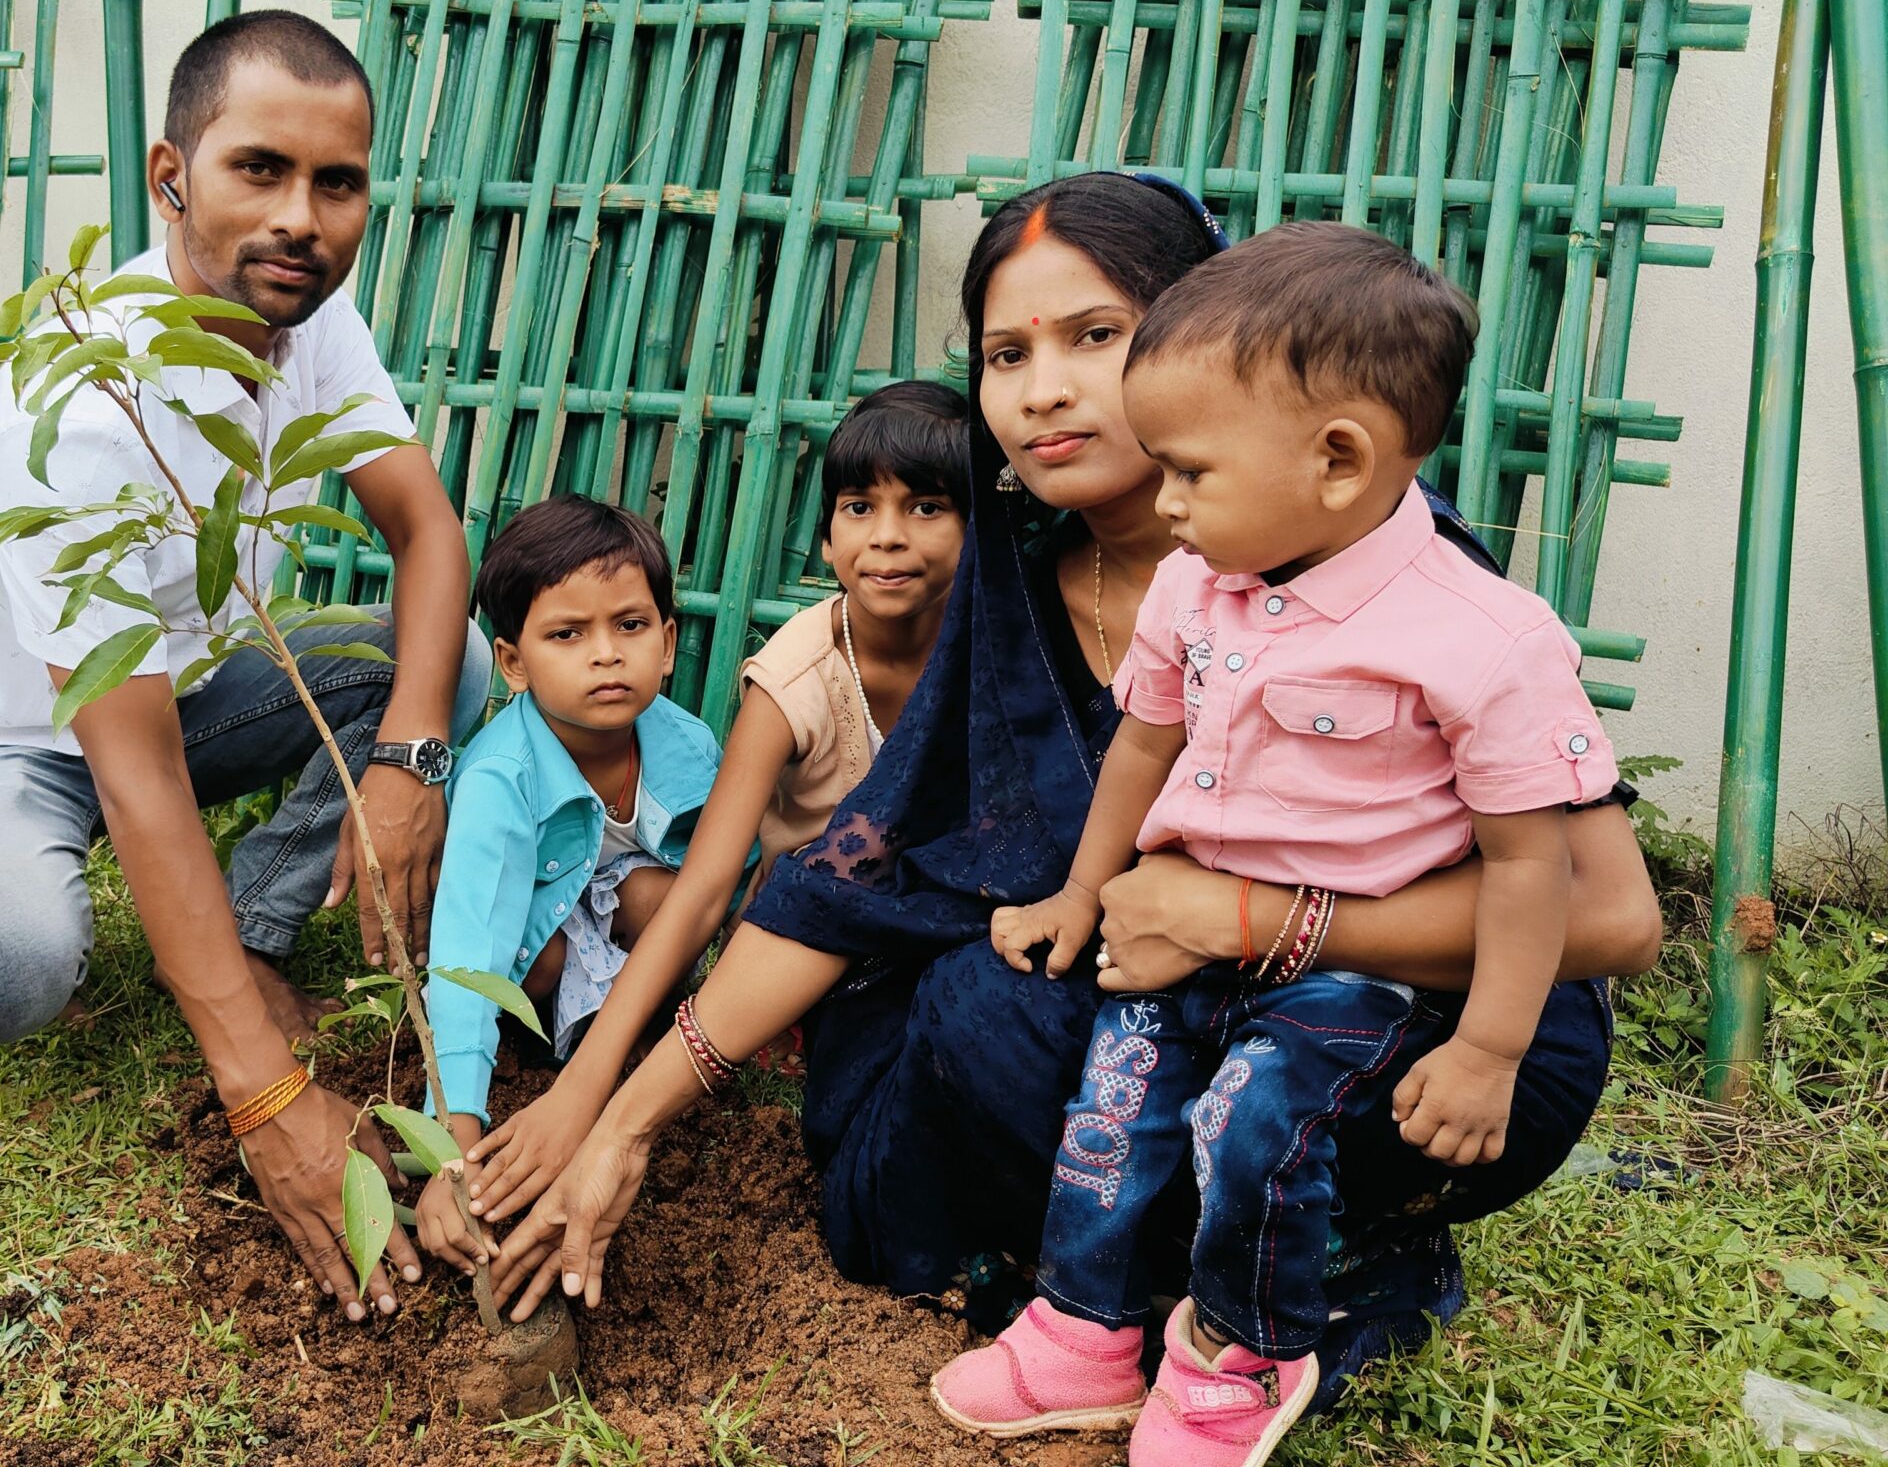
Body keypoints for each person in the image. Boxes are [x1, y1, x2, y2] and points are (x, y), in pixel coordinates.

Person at [491, 173, 1665, 1411]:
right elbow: (863, 872)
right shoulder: (1014, 578)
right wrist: (613, 1114)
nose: (1040, 388)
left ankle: (1321, 1286)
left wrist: (1256, 917)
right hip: (1169, 998)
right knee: (964, 1013)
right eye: (1006, 352)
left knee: (1108, 1045)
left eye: (1094, 337)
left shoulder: (1389, 576)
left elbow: (1611, 919)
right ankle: (1140, 1304)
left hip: (1428, 1027)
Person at [0, 11, 487, 1323]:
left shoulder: (306, 316)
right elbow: (134, 780)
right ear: (169, 173)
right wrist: (268, 1100)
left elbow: (426, 531)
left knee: (442, 664)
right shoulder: (78, 410)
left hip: (173, 691)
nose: (302, 217)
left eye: (338, 183)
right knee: (12, 971)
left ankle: (246, 928)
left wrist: (409, 762)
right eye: (261, 169)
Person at [941, 223, 1619, 1463]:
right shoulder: (1200, 585)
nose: (1168, 500)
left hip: (1355, 976)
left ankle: (1236, 1357)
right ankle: (1082, 1331)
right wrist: (1081, 893)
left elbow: (1540, 869)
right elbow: (1143, 744)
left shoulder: (1482, 638)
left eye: (1190, 470)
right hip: (1190, 942)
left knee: (1254, 1126)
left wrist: (1485, 1049)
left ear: (1337, 459)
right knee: (1116, 1105)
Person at [458, 381, 972, 1227]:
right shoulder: (793, 680)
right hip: (823, 940)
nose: (887, 536)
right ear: (825, 531)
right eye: (857, 506)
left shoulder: (1002, 646)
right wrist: (587, 1091)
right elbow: (702, 889)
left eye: (925, 507)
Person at [409, 496, 723, 1272]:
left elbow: (720, 887)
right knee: (535, 968)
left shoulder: (688, 745)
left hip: (620, 910)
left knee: (662, 900)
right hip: (525, 924)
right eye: (567, 634)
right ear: (512, 663)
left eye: (630, 625)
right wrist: (454, 1150)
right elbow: (468, 960)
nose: (607, 654)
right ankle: (547, 1042)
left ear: (669, 642)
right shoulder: (498, 778)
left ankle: (642, 1025)